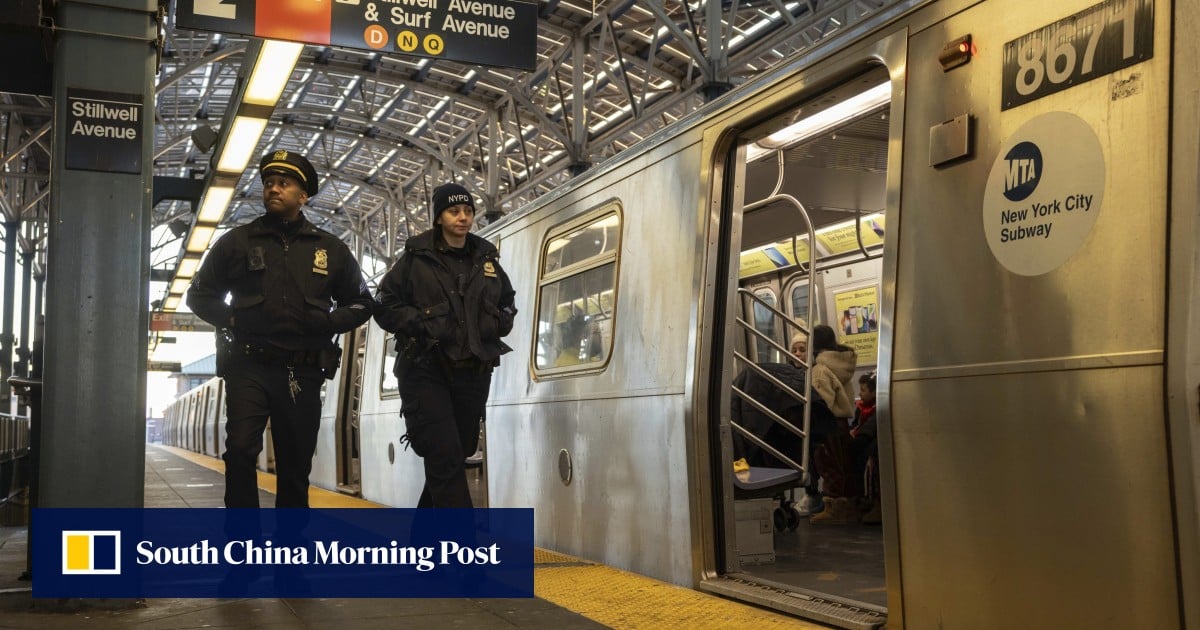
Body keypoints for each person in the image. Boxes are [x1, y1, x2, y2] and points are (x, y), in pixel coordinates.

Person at [187, 149, 374, 508]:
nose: (273, 189)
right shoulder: (236, 243)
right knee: (240, 449)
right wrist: (232, 319)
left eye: (284, 184)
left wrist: (330, 322)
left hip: (302, 370)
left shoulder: (329, 249)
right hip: (248, 365)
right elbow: (200, 295)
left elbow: (363, 302)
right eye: (269, 183)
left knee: (294, 464)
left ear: (303, 196)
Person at [374, 182, 517, 508]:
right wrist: (423, 323)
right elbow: (383, 306)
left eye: (467, 211)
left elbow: (507, 301)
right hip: (426, 370)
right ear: (439, 216)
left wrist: (497, 324)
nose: (463, 217)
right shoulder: (415, 259)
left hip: (472, 372)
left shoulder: (486, 259)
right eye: (454, 211)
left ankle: (422, 547)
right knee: (446, 454)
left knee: (455, 454)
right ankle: (462, 550)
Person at [806, 324, 859, 524]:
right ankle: (849, 507)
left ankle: (834, 508)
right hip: (842, 422)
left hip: (826, 424)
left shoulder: (820, 370)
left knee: (828, 464)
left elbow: (821, 403)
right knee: (843, 464)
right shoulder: (842, 364)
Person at [851, 372, 882, 524]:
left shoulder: (878, 409)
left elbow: (867, 430)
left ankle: (876, 503)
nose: (859, 393)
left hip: (869, 445)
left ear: (874, 392)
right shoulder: (861, 408)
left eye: (863, 390)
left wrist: (857, 436)